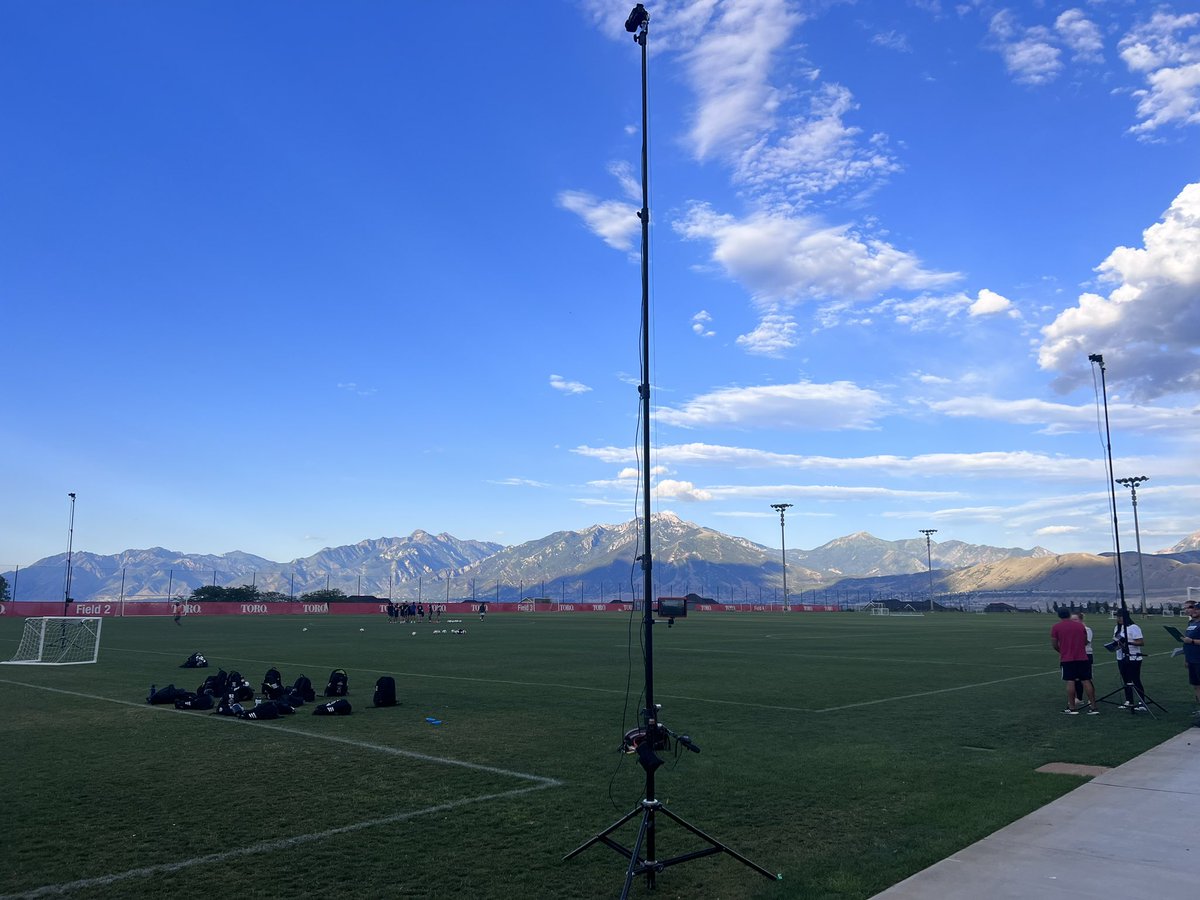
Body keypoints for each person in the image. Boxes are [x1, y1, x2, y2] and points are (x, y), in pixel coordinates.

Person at [1051, 607, 1098, 715]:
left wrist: (1062, 650)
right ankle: (1094, 707)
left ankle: (1072, 708)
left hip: (1067, 658)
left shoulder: (1056, 627)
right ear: (1068, 614)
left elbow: (1054, 643)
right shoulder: (1080, 626)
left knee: (1070, 681)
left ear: (1059, 615)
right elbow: (1085, 641)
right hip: (1082, 657)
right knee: (1086, 680)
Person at [1113, 608, 1146, 709]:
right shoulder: (1117, 628)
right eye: (1117, 616)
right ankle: (1129, 700)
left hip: (1133, 657)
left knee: (1135, 680)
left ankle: (1142, 702)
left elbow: (1141, 642)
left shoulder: (1133, 627)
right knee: (1126, 680)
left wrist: (1128, 643)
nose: (1118, 618)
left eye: (1120, 616)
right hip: (1121, 657)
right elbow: (1116, 641)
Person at [1181, 600, 1200, 713]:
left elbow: (1191, 640)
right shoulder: (1192, 623)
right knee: (1196, 685)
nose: (1195, 611)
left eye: (1197, 609)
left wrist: (1192, 641)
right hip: (1192, 658)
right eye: (1195, 608)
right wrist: (1186, 658)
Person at [1071, 611, 1093, 702]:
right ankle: (1078, 698)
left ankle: (1091, 699)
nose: (1073, 622)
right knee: (1076, 678)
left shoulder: (1087, 629)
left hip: (1086, 654)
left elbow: (1086, 642)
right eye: (1072, 620)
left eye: (1075, 619)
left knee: (1086, 678)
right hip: (1075, 655)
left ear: (1080, 620)